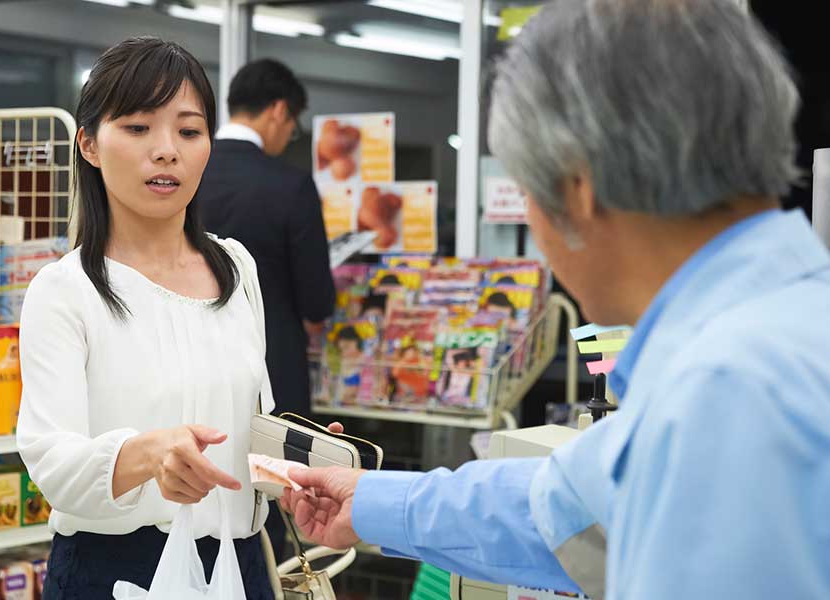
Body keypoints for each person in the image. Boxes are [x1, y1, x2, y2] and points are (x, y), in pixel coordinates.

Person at [281, 2, 830, 599]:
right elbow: (569, 511)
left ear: (578, 185)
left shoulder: (725, 394)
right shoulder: (775, 333)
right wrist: (375, 501)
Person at [15, 38, 343, 599]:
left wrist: (289, 470)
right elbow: (52, 462)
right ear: (89, 144)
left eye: (189, 131)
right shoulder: (64, 290)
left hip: (241, 568)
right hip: (114, 571)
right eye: (139, 128)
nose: (167, 151)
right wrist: (147, 456)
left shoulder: (236, 266)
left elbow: (241, 420)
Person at [198, 58, 335, 422]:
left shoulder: (187, 172)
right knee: (276, 474)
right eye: (291, 126)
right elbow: (316, 300)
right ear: (279, 111)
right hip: (272, 364)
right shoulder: (292, 185)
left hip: (194, 361)